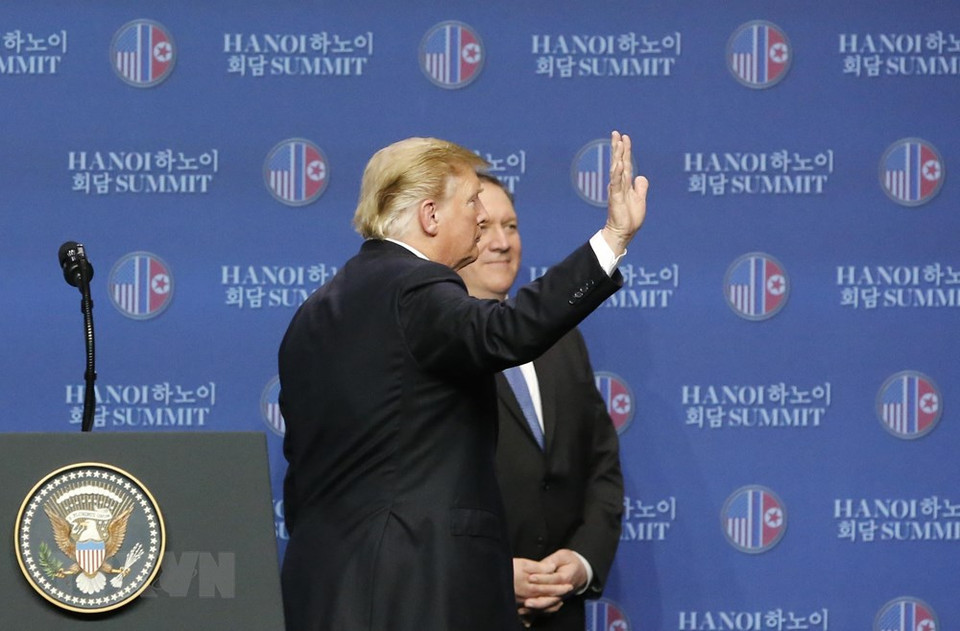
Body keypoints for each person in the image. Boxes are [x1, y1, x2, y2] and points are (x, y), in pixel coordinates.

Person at [278, 131, 647, 631]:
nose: (481, 218)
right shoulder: (415, 286)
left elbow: (303, 470)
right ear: (430, 215)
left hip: (325, 589)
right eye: (473, 201)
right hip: (418, 593)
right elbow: (509, 330)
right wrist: (612, 239)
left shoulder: (314, 312)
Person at [458, 175, 624, 630]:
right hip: (468, 611)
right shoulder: (437, 349)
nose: (501, 242)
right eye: (484, 227)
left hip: (560, 614)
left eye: (511, 227)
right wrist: (486, 573)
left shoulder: (563, 342)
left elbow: (601, 465)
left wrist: (581, 561)